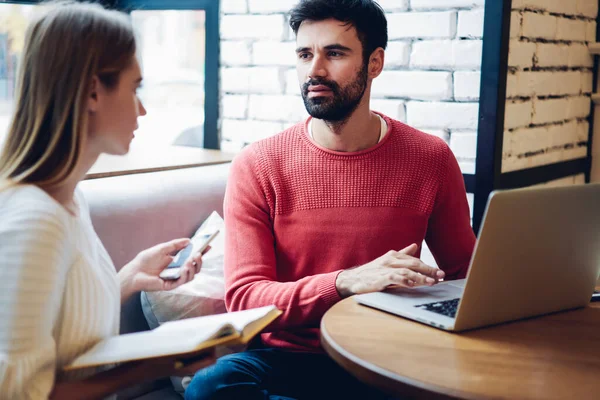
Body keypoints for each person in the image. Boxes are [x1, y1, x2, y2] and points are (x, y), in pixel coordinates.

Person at [185, 0, 476, 399]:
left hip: (389, 353)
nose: (314, 70)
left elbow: (466, 273)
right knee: (212, 386)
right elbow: (245, 299)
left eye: (334, 53)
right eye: (305, 54)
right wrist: (344, 283)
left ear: (375, 63)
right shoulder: (258, 164)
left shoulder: (430, 158)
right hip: (290, 358)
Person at [0, 2, 215, 399]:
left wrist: (129, 277)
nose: (143, 108)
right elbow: (18, 393)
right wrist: (154, 366)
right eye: (135, 88)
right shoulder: (34, 218)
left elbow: (61, 324)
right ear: (93, 92)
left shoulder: (70, 199)